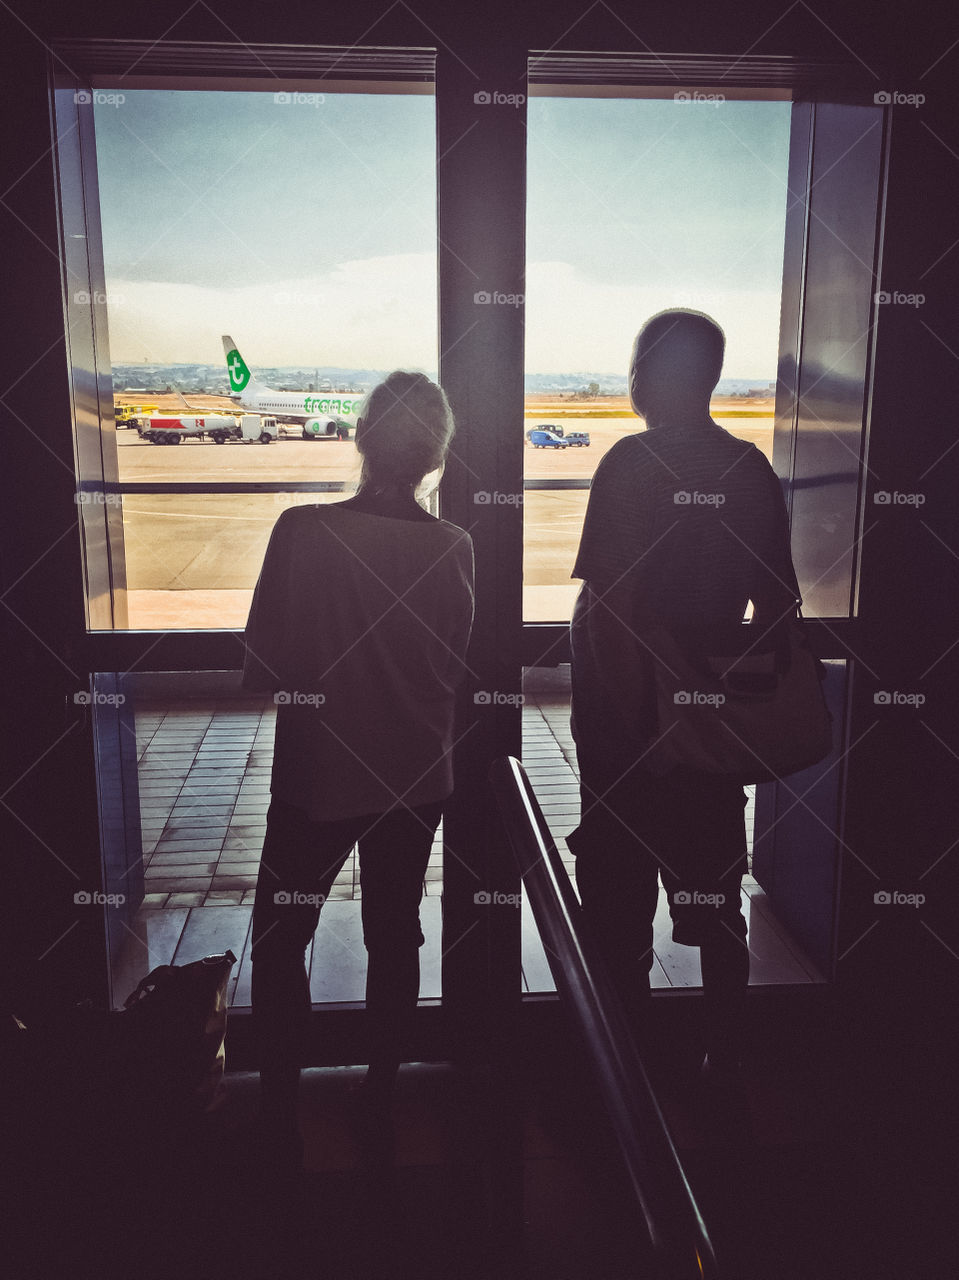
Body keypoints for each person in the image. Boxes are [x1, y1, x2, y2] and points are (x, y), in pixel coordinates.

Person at [242, 371, 474, 1167]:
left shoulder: (303, 532)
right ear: (437, 455)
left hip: (317, 779)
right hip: (415, 775)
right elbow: (453, 664)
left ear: (360, 438)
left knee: (281, 941)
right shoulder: (454, 546)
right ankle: (378, 1094)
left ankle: (277, 1111)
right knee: (394, 934)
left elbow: (261, 665)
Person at [567, 309, 801, 1082]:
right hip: (709, 732)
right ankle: (721, 1061)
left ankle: (621, 1074)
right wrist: (722, 704)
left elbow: (609, 613)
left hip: (628, 736)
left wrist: (637, 727)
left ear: (646, 376)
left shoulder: (630, 465)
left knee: (617, 909)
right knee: (712, 901)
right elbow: (777, 609)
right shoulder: (749, 469)